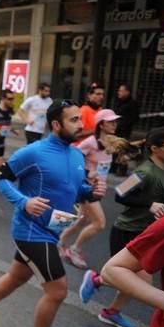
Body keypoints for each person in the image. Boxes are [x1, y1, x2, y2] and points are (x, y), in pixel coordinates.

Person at [0, 100, 106, 327]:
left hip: (51, 230)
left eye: (81, 119)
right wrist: (24, 202)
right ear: (56, 125)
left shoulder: (77, 155)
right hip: (31, 231)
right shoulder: (34, 151)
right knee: (57, 290)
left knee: (17, 276)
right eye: (74, 120)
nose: (81, 125)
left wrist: (93, 193)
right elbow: (1, 176)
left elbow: (75, 190)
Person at [79, 127, 164, 327]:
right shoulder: (143, 171)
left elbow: (158, 198)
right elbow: (120, 194)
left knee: (135, 283)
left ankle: (110, 309)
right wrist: (149, 205)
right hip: (127, 230)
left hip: (144, 230)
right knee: (138, 283)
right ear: (155, 149)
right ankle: (98, 282)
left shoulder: (163, 170)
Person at [58, 109, 120, 269]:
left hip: (98, 188)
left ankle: (59, 242)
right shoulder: (90, 142)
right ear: (101, 124)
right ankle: (74, 249)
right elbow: (71, 159)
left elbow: (104, 163)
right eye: (110, 121)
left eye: (115, 121)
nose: (114, 124)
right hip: (86, 188)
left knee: (83, 219)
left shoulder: (111, 142)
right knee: (99, 223)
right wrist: (87, 172)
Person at [110, 83, 140, 176]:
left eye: (121, 90)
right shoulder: (118, 102)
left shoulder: (132, 103)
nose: (118, 92)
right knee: (114, 149)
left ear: (127, 92)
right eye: (119, 90)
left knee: (122, 151)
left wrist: (124, 125)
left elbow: (134, 118)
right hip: (115, 129)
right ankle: (113, 167)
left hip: (124, 131)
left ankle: (122, 169)